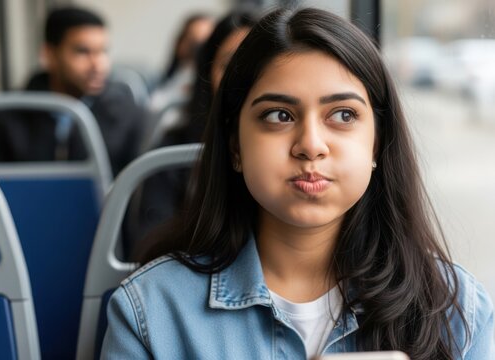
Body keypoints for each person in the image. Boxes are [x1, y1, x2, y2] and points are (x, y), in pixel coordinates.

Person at [101, 7, 494, 360]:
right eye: (279, 115)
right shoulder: (152, 311)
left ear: (377, 142)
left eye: (342, 115)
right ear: (235, 146)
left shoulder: (458, 310)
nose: (310, 145)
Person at [123, 9, 257, 260]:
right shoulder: (173, 149)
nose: (240, 79)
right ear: (208, 74)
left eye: (255, 66)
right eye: (228, 65)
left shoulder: (296, 151)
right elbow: (150, 242)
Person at [0, 6, 145, 176]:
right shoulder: (6, 117)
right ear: (49, 54)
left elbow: (136, 190)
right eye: (82, 51)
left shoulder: (125, 113)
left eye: (103, 51)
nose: (98, 64)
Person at [149, 13, 215, 113]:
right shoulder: (162, 80)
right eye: (192, 41)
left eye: (203, 43)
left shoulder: (208, 92)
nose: (196, 50)